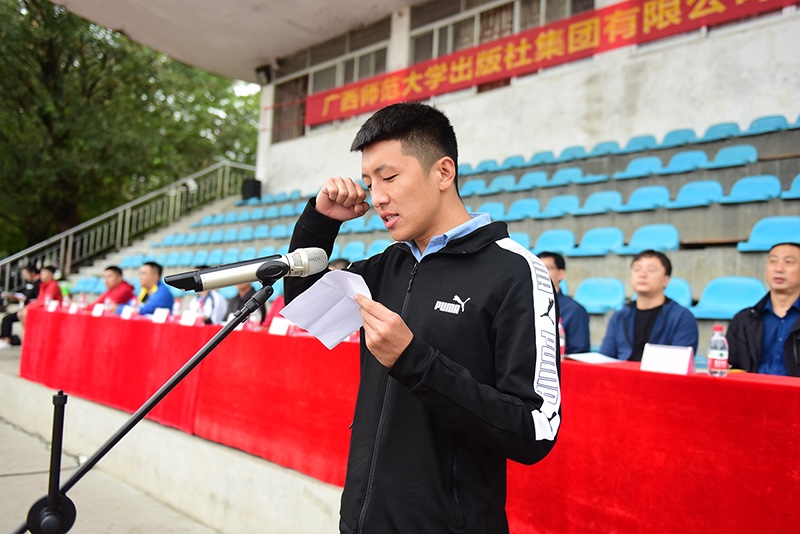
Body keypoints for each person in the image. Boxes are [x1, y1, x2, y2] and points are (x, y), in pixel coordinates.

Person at [285, 102, 561, 534]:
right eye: (368, 183)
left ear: (443, 172)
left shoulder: (515, 272)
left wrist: (414, 360)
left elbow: (535, 430)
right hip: (362, 522)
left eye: (389, 177)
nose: (377, 197)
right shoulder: (387, 265)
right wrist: (320, 225)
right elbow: (306, 307)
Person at [599, 250, 698, 360]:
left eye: (651, 270)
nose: (642, 274)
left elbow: (680, 362)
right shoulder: (620, 316)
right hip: (621, 371)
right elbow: (605, 359)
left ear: (666, 280)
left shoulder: (681, 317)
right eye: (637, 269)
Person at [727, 242, 800, 376]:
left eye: (788, 262)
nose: (779, 269)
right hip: (752, 389)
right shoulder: (744, 320)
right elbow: (731, 367)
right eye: (773, 262)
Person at [537, 251, 590, 354]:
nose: (540, 273)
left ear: (560, 274)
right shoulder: (523, 305)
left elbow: (578, 352)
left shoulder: (574, 310)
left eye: (546, 268)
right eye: (537, 268)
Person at [0, 264, 40, 349]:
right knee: (6, 319)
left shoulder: (39, 284)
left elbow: (34, 299)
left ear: (32, 273)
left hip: (32, 310)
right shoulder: (28, 284)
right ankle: (5, 339)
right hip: (24, 309)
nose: (25, 276)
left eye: (26, 274)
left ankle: (7, 340)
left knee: (8, 319)